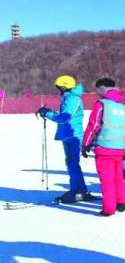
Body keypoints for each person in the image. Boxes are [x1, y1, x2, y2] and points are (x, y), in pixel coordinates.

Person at [36, 75, 94, 203]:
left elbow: (64, 118)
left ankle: (76, 192)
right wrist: (48, 111)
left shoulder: (72, 99)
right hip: (68, 135)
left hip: (73, 136)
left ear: (64, 87)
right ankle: (81, 190)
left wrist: (47, 113)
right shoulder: (68, 98)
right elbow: (63, 116)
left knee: (72, 164)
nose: (59, 91)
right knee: (72, 164)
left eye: (59, 88)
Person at [82, 79, 125, 216]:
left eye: (97, 89)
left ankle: (109, 208)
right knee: (118, 177)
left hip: (104, 148)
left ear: (102, 88)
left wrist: (86, 144)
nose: (96, 93)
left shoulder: (102, 104)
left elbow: (94, 125)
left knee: (107, 180)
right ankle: (123, 201)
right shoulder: (123, 107)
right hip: (119, 148)